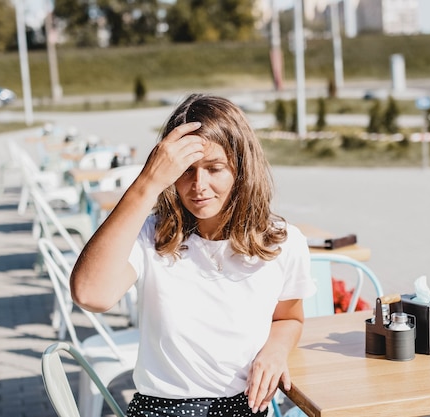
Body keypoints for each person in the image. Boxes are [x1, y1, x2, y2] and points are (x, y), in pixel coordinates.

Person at [71, 93, 316, 417]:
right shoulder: (151, 236)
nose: (199, 185)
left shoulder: (283, 243)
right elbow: (90, 294)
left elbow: (289, 317)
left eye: (214, 168)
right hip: (160, 409)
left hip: (246, 408)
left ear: (241, 169)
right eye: (186, 170)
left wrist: (276, 349)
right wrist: (147, 183)